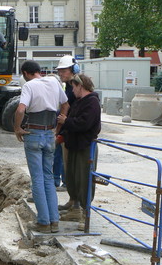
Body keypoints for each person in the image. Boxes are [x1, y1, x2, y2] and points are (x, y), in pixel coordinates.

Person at [14, 60, 69, 233]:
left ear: (25, 73)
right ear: (39, 70)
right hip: (49, 134)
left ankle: (43, 222)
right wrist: (56, 128)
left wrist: (17, 129)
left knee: (37, 179)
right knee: (48, 178)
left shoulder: (29, 86)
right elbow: (65, 105)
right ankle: (54, 221)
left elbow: (21, 110)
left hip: (34, 133)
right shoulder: (53, 81)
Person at [57, 74, 101, 230]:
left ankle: (85, 214)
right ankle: (75, 209)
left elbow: (84, 124)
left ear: (81, 86)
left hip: (85, 147)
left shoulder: (92, 103)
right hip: (75, 145)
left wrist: (66, 121)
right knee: (73, 177)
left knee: (84, 180)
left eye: (74, 87)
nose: (72, 90)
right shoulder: (79, 102)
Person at [55, 55, 81, 216]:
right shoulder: (69, 87)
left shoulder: (75, 88)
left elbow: (69, 110)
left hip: (73, 134)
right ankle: (72, 201)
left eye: (63, 70)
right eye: (59, 71)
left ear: (73, 70)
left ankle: (76, 206)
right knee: (68, 169)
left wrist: (60, 129)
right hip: (68, 132)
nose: (60, 74)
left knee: (73, 170)